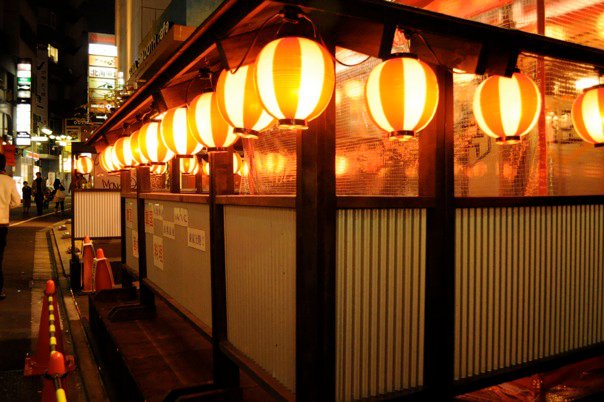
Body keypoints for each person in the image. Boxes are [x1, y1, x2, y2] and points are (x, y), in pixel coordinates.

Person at [0, 154, 21, 299]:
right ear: (4, 165)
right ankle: (0, 290)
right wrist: (6, 206)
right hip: (2, 224)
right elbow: (17, 202)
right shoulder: (9, 181)